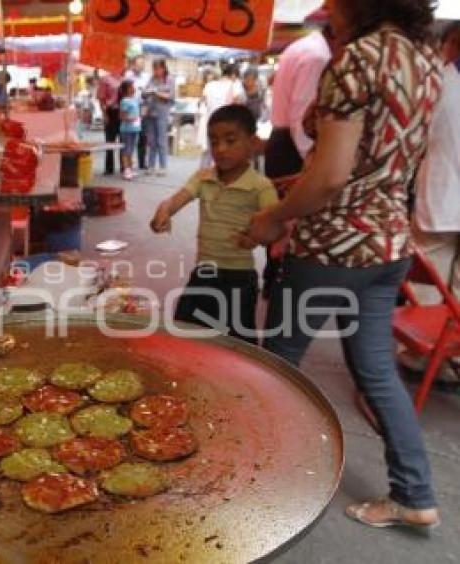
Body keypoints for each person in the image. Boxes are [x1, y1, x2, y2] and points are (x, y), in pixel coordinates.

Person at [244, 0, 442, 530]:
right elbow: (374, 162)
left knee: (279, 363)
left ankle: (262, 485)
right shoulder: (424, 60)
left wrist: (274, 216)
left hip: (333, 245)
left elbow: (331, 175)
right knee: (377, 369)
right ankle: (414, 493)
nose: (327, 9)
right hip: (388, 245)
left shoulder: (358, 59)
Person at [151, 105, 277, 342]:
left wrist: (257, 237)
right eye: (214, 141)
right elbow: (176, 200)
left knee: (238, 341)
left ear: (252, 143)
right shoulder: (203, 178)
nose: (221, 149)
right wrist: (164, 211)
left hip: (239, 277)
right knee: (184, 332)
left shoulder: (261, 186)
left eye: (230, 141)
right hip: (204, 272)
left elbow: (275, 228)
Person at [402, 21, 460, 384]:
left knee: (430, 279)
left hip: (440, 195)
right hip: (440, 193)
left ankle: (421, 356)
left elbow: (415, 138)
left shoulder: (439, 83)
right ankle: (451, 352)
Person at [264, 26, 333, 180]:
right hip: (293, 150)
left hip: (283, 143)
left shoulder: (302, 47)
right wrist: (312, 163)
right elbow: (301, 118)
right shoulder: (317, 57)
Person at [197, 64, 246, 168]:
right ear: (233, 75)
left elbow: (202, 101)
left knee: (209, 152)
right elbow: (237, 103)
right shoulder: (234, 85)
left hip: (210, 123)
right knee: (223, 152)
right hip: (226, 124)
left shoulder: (209, 85)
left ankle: (204, 175)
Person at [142, 59, 176, 176]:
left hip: (162, 113)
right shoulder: (152, 79)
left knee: (161, 140)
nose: (156, 71)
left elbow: (171, 96)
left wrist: (156, 93)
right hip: (150, 113)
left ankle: (163, 166)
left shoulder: (169, 79)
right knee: (151, 141)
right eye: (154, 69)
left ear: (163, 68)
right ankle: (151, 166)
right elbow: (145, 93)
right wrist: (146, 92)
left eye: (158, 68)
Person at [125, 56, 150, 171]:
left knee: (143, 135)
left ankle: (142, 162)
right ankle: (128, 164)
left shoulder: (146, 77)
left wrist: (146, 94)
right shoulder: (128, 76)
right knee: (130, 135)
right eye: (138, 64)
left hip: (142, 107)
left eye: (142, 64)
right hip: (131, 108)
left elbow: (149, 91)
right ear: (133, 64)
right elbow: (124, 91)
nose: (140, 66)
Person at [96, 71, 121, 175]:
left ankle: (124, 167)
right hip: (111, 111)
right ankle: (109, 167)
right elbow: (101, 98)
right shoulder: (105, 79)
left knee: (124, 141)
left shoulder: (125, 77)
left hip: (124, 111)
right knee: (110, 140)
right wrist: (104, 114)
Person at [118, 80, 142, 181]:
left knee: (131, 149)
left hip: (135, 128)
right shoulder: (125, 101)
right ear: (126, 89)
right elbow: (122, 116)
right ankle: (126, 169)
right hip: (127, 129)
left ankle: (130, 168)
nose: (133, 88)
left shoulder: (135, 99)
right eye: (131, 86)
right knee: (126, 149)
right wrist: (130, 119)